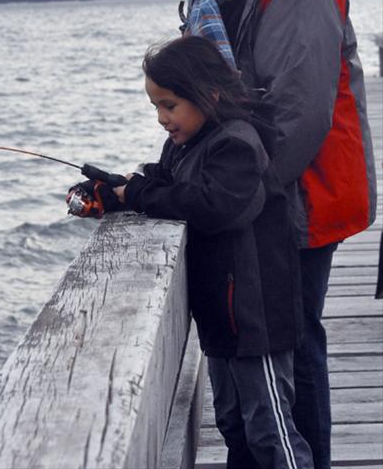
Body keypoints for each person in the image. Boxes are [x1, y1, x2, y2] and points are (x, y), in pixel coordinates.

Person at [171, 0, 377, 469]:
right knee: (285, 335)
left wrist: (236, 195)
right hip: (263, 189)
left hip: (303, 192)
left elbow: (298, 112)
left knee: (297, 338)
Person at [112, 35, 314, 469]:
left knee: (269, 427)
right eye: (155, 108)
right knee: (232, 422)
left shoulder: (237, 143)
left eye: (169, 105)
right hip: (223, 316)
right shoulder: (188, 144)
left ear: (209, 94)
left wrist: (140, 193)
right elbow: (167, 185)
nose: (162, 119)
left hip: (256, 316)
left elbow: (214, 205)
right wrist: (120, 190)